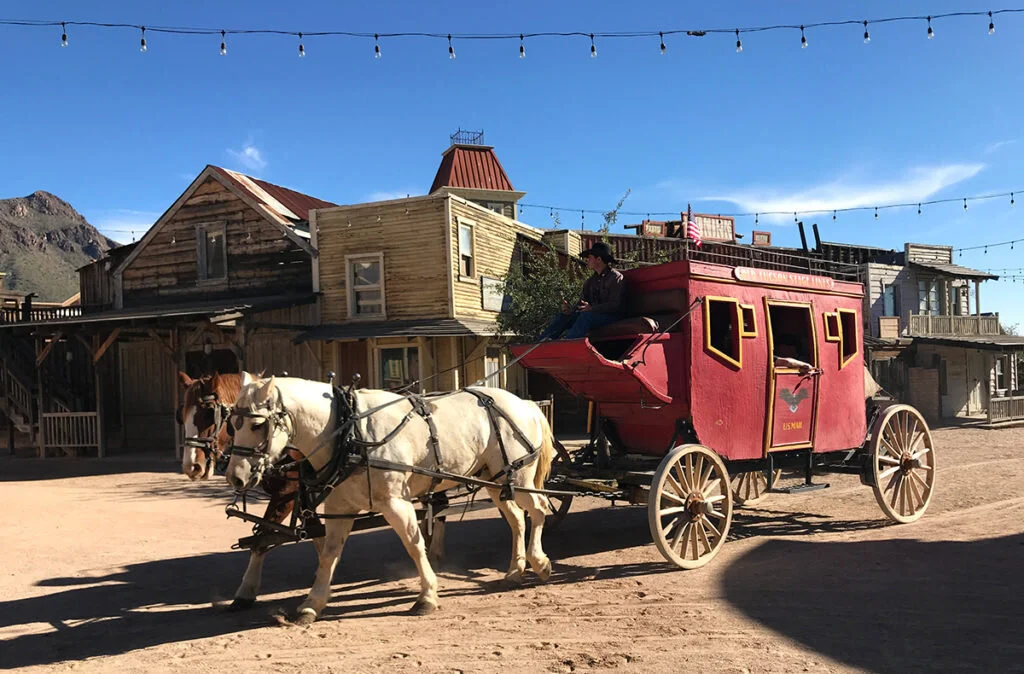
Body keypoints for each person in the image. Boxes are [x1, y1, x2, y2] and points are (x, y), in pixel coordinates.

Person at [538, 241, 625, 341]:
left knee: (586, 316)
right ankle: (540, 344)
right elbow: (582, 304)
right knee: (564, 316)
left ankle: (568, 345)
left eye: (590, 257)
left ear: (599, 259)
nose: (587, 260)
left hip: (611, 317)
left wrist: (592, 308)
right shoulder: (590, 282)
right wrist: (571, 310)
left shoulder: (615, 278)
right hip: (593, 315)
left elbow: (614, 305)